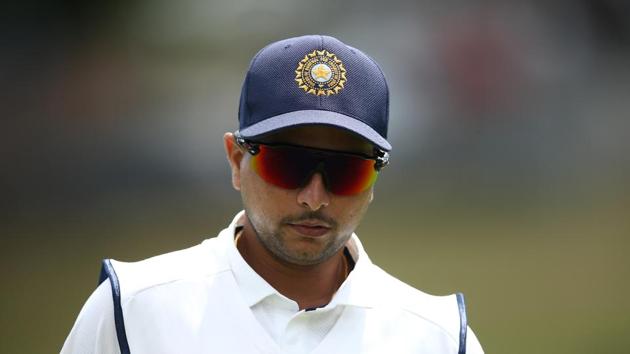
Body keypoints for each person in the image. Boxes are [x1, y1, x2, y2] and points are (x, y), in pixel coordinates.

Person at [61, 34, 484, 354]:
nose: (314, 197)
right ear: (235, 161)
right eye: (289, 165)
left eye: (347, 171)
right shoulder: (132, 311)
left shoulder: (439, 337)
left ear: (375, 176)